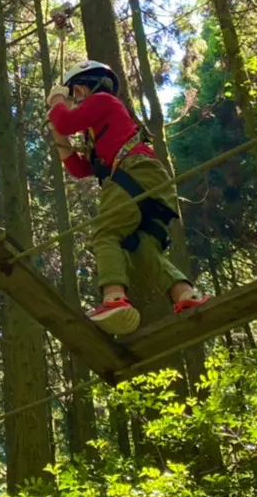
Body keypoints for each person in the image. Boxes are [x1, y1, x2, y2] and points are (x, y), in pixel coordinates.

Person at [47, 59, 206, 335]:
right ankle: (185, 294)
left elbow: (66, 119)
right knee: (141, 246)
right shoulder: (99, 131)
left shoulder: (103, 101)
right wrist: (58, 132)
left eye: (74, 95)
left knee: (106, 232)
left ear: (85, 89)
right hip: (147, 180)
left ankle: (113, 297)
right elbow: (78, 168)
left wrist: (58, 101)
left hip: (134, 173)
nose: (73, 102)